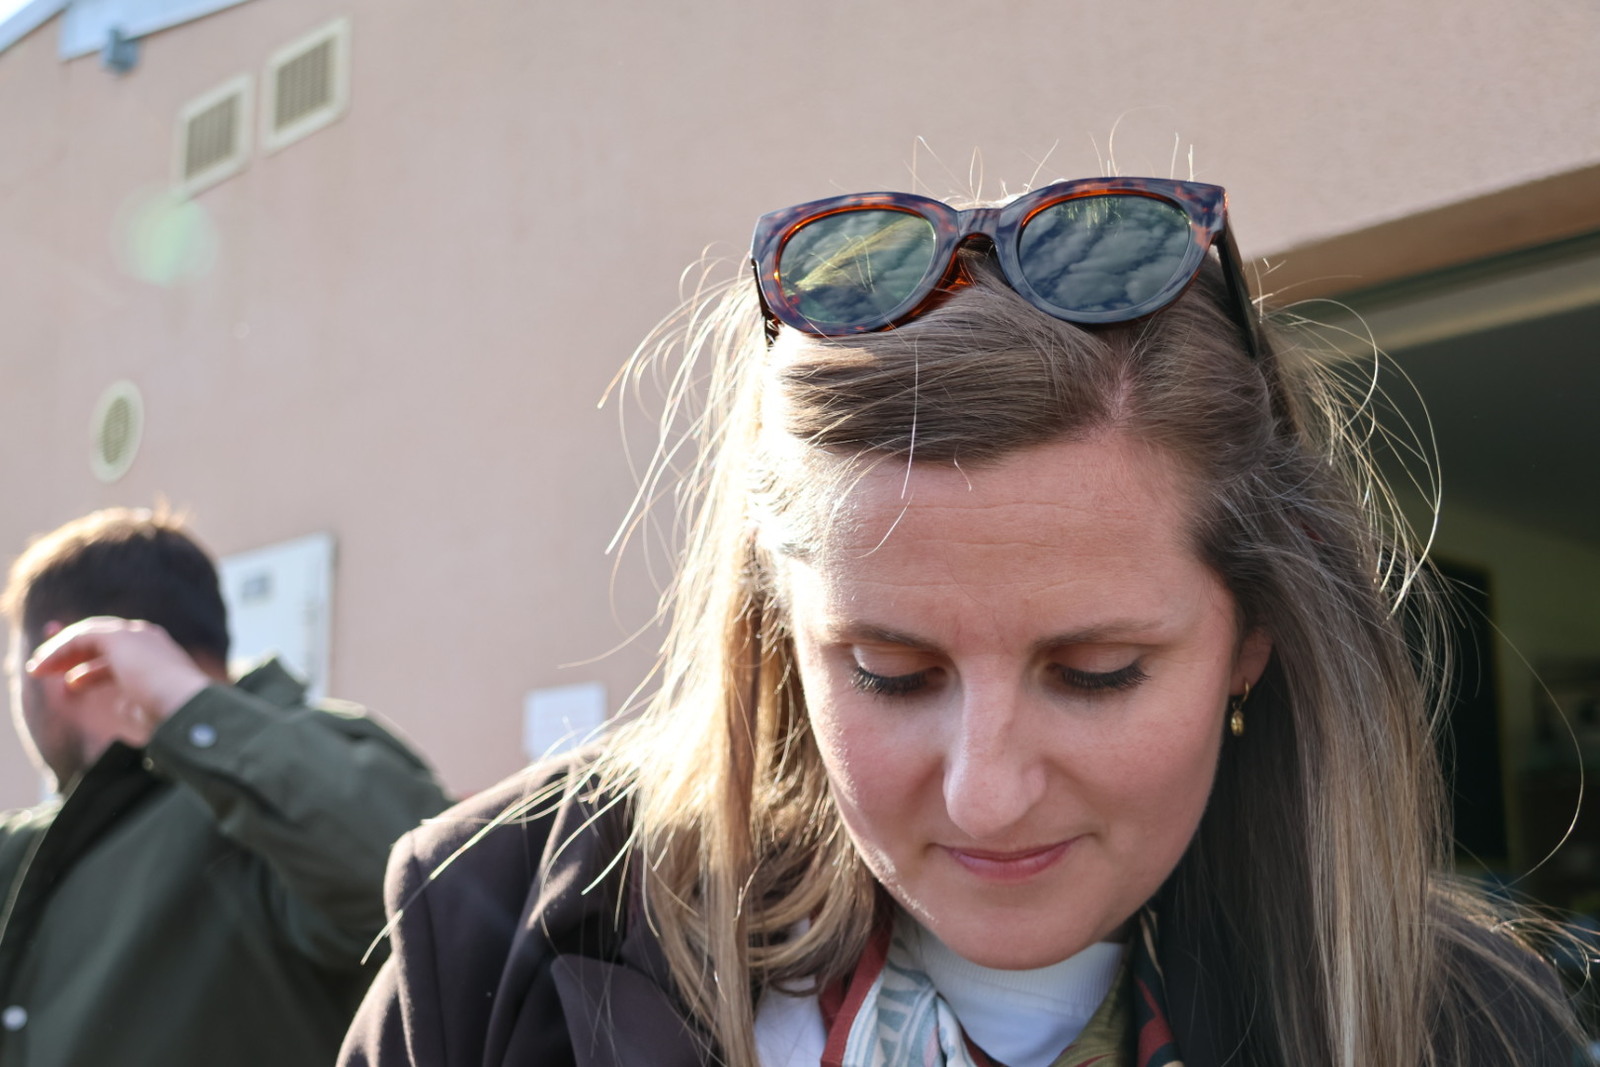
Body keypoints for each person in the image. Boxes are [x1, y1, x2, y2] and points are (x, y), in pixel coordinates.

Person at [339, 178, 1583, 1066]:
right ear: (778, 635)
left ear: (1249, 640)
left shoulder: (1473, 1028)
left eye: (1096, 671)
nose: (986, 794)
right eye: (889, 671)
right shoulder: (489, 936)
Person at [0, 507, 452, 1067]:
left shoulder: (296, 769)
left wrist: (183, 704)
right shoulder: (27, 849)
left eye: (11, 673)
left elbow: (427, 896)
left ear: (55, 653)